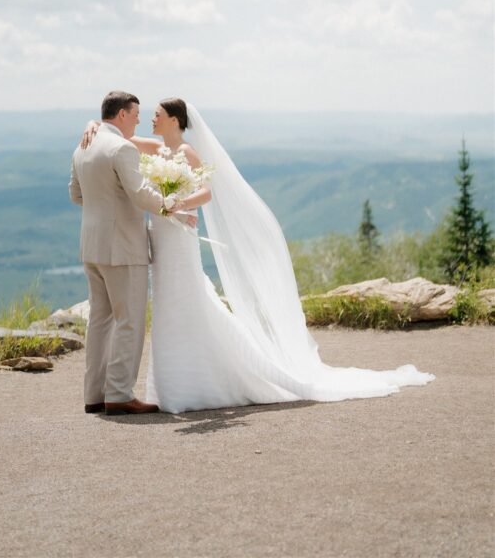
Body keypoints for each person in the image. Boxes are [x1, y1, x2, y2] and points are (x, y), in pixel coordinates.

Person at [80, 98, 435, 414]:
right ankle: (173, 383)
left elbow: (206, 192)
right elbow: (119, 139)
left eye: (157, 115)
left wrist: (178, 204)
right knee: (168, 307)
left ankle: (212, 377)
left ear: (175, 120)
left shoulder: (187, 153)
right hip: (162, 236)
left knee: (187, 301)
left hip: (178, 234)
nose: (150, 120)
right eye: (146, 115)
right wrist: (93, 124)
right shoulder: (155, 149)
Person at [68, 90, 193, 416]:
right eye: (136, 113)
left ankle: (94, 395)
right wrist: (169, 205)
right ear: (122, 114)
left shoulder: (82, 147)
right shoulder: (121, 148)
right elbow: (139, 194)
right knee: (129, 321)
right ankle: (120, 394)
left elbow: (76, 195)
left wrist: (106, 205)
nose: (139, 119)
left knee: (99, 321)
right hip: (122, 247)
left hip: (91, 247)